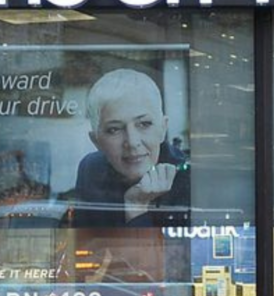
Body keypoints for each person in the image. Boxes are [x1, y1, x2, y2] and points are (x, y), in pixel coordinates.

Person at [72, 68, 190, 228]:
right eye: (114, 129)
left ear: (163, 128)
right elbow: (86, 245)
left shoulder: (189, 179)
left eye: (144, 124)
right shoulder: (91, 169)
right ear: (96, 141)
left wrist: (137, 207)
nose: (132, 142)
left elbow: (177, 252)